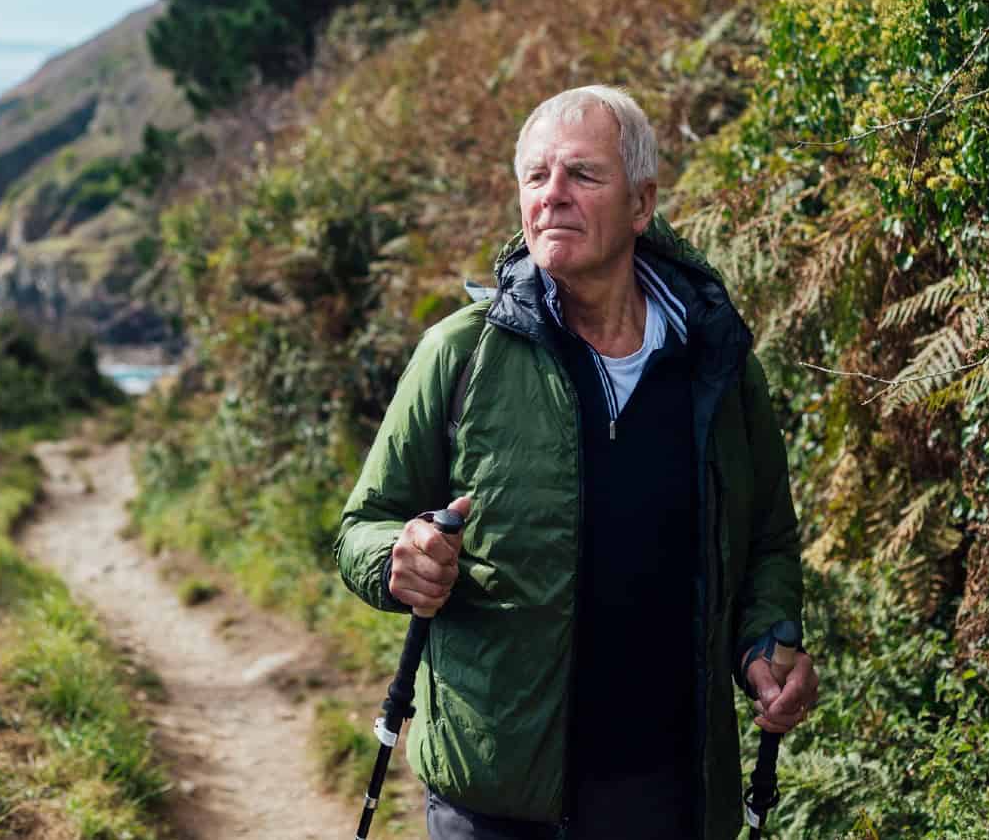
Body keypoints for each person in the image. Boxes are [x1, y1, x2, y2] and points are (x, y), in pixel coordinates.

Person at [335, 85, 817, 839]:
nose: (552, 194)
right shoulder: (462, 353)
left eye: (583, 174)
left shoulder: (716, 365)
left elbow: (767, 542)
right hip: (497, 798)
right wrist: (398, 557)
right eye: (536, 176)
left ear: (642, 203)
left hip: (670, 795)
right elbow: (361, 526)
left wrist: (765, 646)